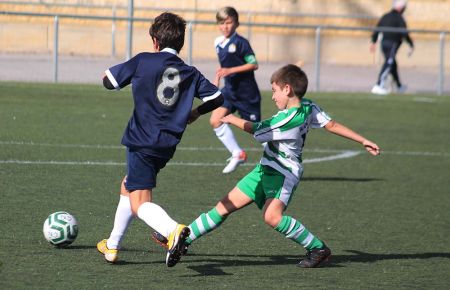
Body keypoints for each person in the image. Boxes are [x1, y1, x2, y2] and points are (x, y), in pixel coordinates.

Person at [152, 64, 381, 267]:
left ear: (287, 89)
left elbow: (257, 129)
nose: (272, 97)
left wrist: (231, 119)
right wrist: (363, 140)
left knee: (272, 217)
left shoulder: (288, 119)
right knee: (224, 205)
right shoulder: (308, 106)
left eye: (274, 91)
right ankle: (183, 240)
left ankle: (318, 248)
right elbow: (331, 125)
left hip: (283, 174)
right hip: (265, 169)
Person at [96, 12, 223, 267]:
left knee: (139, 202)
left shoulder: (144, 60)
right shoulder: (191, 72)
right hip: (166, 145)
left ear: (154, 40)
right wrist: (195, 113)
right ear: (181, 43)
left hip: (141, 140)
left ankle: (173, 231)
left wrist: (115, 74)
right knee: (128, 185)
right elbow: (218, 97)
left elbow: (108, 81)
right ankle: (112, 245)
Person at [210, 6, 262, 173]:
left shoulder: (241, 43)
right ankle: (237, 153)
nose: (225, 26)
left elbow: (254, 64)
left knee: (257, 132)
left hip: (247, 94)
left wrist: (230, 70)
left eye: (229, 22)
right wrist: (218, 76)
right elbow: (224, 65)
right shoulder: (218, 42)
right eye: (221, 23)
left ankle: (281, 155)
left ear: (236, 23)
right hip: (229, 91)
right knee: (215, 120)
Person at [370, 0, 414, 95]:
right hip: (392, 44)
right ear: (401, 8)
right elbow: (404, 32)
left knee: (392, 64)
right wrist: (411, 44)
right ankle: (378, 85)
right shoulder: (399, 18)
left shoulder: (385, 16)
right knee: (389, 62)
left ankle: (399, 86)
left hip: (384, 44)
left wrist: (373, 41)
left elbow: (377, 29)